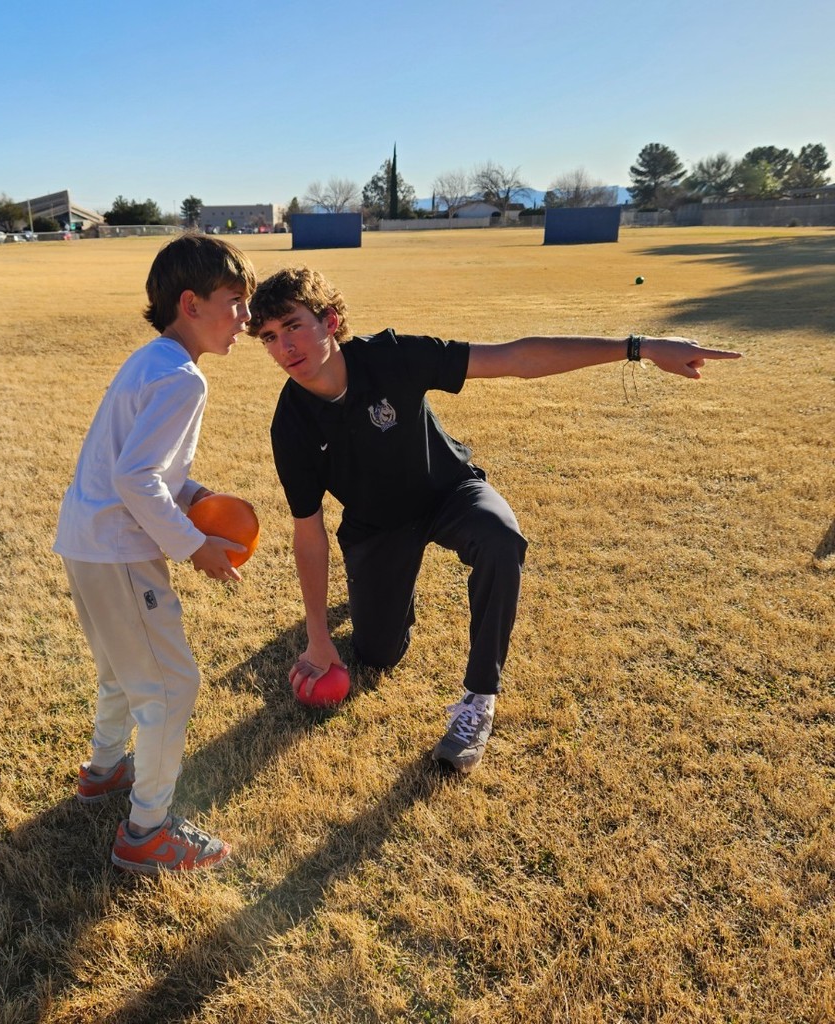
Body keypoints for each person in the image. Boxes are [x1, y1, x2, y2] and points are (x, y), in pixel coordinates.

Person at [246, 267, 741, 776]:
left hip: (447, 491)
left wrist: (640, 347)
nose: (284, 347)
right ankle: (385, 591)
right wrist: (318, 636)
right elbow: (308, 533)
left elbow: (516, 358)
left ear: (329, 320)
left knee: (500, 537)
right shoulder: (292, 425)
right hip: (377, 526)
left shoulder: (392, 356)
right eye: (269, 338)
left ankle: (479, 701)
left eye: (293, 326)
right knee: (376, 657)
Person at [53, 234, 257, 872]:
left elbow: (138, 465)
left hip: (85, 542)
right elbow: (135, 479)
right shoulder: (182, 380)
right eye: (235, 303)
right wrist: (194, 545)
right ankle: (147, 833)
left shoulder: (151, 360)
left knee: (120, 668)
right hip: (118, 550)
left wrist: (196, 494)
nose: (244, 320)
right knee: (171, 688)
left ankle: (106, 769)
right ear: (190, 303)